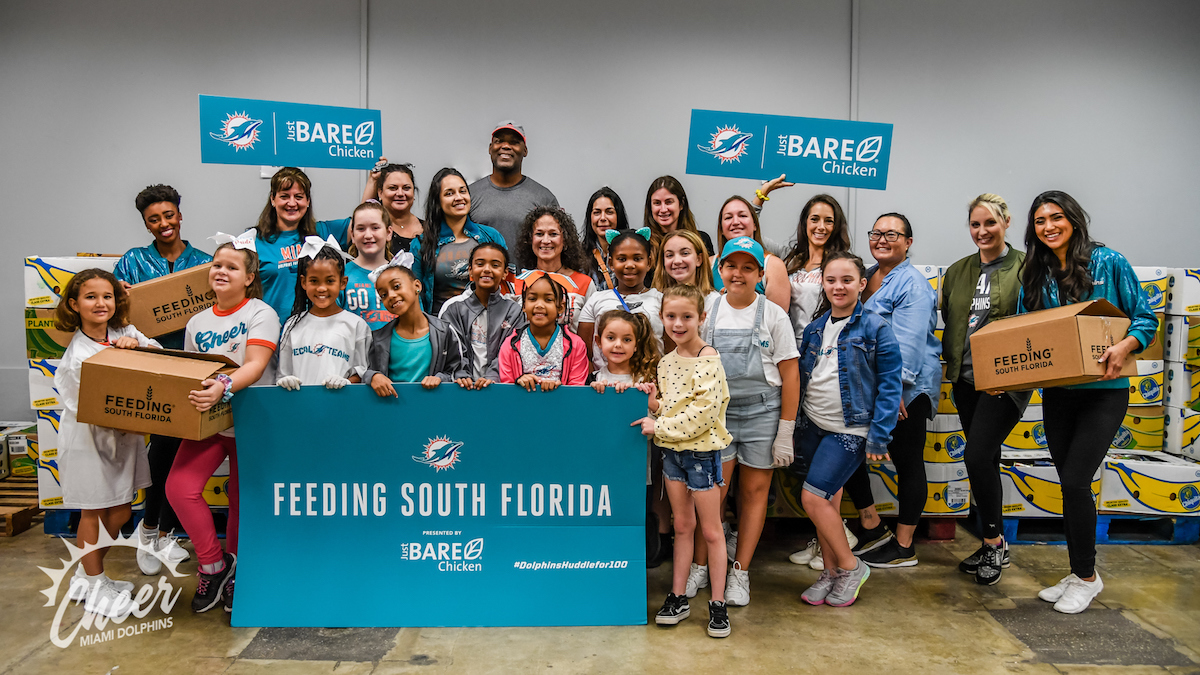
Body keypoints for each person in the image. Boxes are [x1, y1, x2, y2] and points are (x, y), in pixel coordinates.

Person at [1019, 190, 1156, 614]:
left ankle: (1086, 577)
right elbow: (1029, 328)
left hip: (1104, 394)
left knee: (1077, 479)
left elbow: (1145, 317)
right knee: (1069, 484)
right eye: (1040, 221)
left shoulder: (1109, 262)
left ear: (1074, 220)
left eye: (1056, 217)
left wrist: (1124, 348)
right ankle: (1079, 570)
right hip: (1059, 393)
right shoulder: (1036, 272)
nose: (1049, 227)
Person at [168, 233, 281, 615]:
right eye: (217, 264)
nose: (222, 271)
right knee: (179, 488)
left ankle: (238, 573)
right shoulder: (197, 321)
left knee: (239, 499)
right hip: (211, 420)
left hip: (251, 419)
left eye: (232, 267)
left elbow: (255, 364)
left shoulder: (261, 313)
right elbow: (193, 372)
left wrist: (224, 385)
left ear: (249, 277)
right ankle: (214, 565)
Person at [693, 237, 799, 607]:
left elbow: (790, 375)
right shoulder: (708, 309)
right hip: (717, 414)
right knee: (712, 496)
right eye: (731, 266)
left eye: (747, 267)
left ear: (759, 274)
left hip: (762, 413)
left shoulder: (774, 315)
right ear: (719, 270)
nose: (738, 273)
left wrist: (785, 430)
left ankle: (740, 572)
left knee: (754, 495)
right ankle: (701, 564)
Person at [796, 252, 902, 607]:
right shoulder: (814, 328)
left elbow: (890, 384)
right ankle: (830, 572)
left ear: (861, 283)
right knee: (827, 504)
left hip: (850, 430)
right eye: (831, 280)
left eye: (846, 280)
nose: (838, 287)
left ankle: (851, 566)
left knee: (812, 498)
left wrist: (879, 434)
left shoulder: (875, 327)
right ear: (822, 284)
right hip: (813, 425)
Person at [113, 184, 209, 575]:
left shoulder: (203, 263)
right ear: (146, 224)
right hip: (153, 368)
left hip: (194, 366)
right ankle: (149, 529)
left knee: (182, 455)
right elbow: (115, 313)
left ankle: (163, 535)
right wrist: (118, 294)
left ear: (180, 216)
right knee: (163, 453)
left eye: (169, 215)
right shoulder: (132, 262)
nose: (164, 224)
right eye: (154, 219)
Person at [54, 269, 160, 619]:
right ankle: (96, 583)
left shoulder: (124, 332)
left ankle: (87, 574)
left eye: (107, 296)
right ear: (74, 304)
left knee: (122, 509)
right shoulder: (78, 355)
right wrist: (122, 360)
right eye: (90, 297)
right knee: (93, 510)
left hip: (122, 439)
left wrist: (137, 345)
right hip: (90, 439)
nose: (100, 303)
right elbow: (87, 403)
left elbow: (158, 353)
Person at [841, 214, 941, 569]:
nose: (882, 239)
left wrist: (895, 390)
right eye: (876, 233)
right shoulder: (867, 276)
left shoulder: (912, 284)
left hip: (905, 389)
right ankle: (873, 527)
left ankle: (904, 545)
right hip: (870, 386)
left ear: (908, 242)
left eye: (892, 234)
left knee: (907, 460)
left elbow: (908, 343)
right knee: (848, 452)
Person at [942, 194, 1029, 585]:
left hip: (1005, 384)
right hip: (965, 380)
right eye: (975, 225)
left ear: (1006, 222)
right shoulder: (958, 271)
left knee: (976, 456)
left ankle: (993, 542)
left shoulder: (1026, 268)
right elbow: (951, 320)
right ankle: (994, 542)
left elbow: (1035, 324)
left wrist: (1007, 376)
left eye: (990, 223)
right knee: (986, 459)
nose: (982, 231)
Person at [637, 284, 732, 638]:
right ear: (662, 319)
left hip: (702, 456)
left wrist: (657, 423)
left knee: (711, 530)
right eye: (671, 316)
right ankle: (678, 597)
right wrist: (653, 403)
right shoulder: (665, 361)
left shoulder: (709, 360)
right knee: (681, 527)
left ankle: (718, 603)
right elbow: (673, 408)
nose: (678, 323)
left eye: (687, 317)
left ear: (701, 319)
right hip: (673, 454)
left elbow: (702, 416)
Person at [251, 167, 350, 320]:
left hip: (315, 333)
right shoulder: (254, 241)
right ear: (273, 199)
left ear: (308, 200)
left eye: (299, 196)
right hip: (271, 332)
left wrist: (374, 181)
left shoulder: (323, 232)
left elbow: (367, 220)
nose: (292, 203)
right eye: (284, 196)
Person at [275, 238, 370, 391]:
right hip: (301, 407)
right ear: (303, 282)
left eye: (330, 281)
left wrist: (347, 382)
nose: (321, 288)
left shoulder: (356, 325)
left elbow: (362, 371)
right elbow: (282, 374)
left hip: (341, 406)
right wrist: (286, 381)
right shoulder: (292, 325)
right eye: (314, 281)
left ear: (343, 282)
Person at [411, 168, 506, 314]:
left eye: (462, 191)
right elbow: (415, 296)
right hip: (439, 329)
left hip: (487, 326)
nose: (459, 197)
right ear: (438, 201)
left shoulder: (491, 237)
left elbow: (507, 286)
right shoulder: (421, 244)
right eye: (449, 193)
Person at [365, 263, 469, 396]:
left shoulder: (444, 331)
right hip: (393, 410)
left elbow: (458, 371)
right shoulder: (379, 338)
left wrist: (440, 379)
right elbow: (366, 371)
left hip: (432, 409)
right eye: (383, 295)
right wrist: (374, 376)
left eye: (396, 286)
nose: (391, 296)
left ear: (417, 286)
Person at [439, 242, 525, 388]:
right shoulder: (453, 307)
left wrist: (493, 376)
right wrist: (461, 374)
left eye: (495, 265)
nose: (487, 269)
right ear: (470, 271)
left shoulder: (513, 311)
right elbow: (450, 349)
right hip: (461, 387)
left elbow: (512, 350)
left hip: (499, 388)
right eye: (480, 264)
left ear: (505, 273)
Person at [578, 229, 663, 368]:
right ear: (611, 263)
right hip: (604, 385)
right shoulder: (596, 300)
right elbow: (584, 353)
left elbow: (671, 351)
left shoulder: (661, 301)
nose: (629, 265)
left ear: (649, 262)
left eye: (637, 258)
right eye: (622, 259)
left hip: (649, 384)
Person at [468, 121, 559, 248]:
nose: (505, 146)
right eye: (499, 141)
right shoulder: (469, 195)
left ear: (525, 150)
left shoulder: (543, 198)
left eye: (514, 142)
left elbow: (557, 247)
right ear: (490, 148)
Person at [782, 194, 854, 343]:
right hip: (790, 347)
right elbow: (751, 236)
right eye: (815, 219)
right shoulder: (791, 260)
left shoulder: (842, 264)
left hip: (824, 346)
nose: (821, 227)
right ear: (805, 223)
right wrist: (761, 196)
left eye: (828, 221)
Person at [499, 272, 589, 390]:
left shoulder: (576, 345)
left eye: (548, 299)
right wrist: (519, 382)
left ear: (561, 307)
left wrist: (558, 390)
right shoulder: (510, 345)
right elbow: (506, 390)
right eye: (532, 299)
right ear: (524, 305)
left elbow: (577, 390)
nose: (539, 305)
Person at [511, 206, 594, 331]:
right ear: (530, 240)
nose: (545, 240)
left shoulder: (585, 284)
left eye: (553, 234)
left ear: (565, 240)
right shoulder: (516, 283)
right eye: (539, 234)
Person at [711, 196, 789, 310]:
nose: (736, 222)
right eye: (728, 217)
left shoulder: (773, 266)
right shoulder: (709, 264)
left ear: (755, 224)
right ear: (721, 228)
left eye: (742, 216)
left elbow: (777, 320)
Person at [343, 201, 397, 329]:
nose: (368, 235)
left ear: (389, 233)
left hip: (394, 348)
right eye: (361, 229)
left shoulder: (402, 275)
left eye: (375, 228)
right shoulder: (342, 276)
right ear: (353, 235)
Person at [590, 309, 661, 393]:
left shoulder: (647, 381)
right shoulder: (593, 379)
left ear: (636, 345)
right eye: (611, 338)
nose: (618, 345)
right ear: (598, 341)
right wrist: (593, 394)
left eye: (627, 340)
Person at [644, 176, 714, 258]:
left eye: (669, 202)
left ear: (681, 204)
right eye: (657, 203)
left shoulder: (701, 240)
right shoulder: (642, 243)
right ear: (650, 207)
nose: (663, 209)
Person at [652, 230, 720, 314]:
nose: (677, 261)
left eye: (685, 253)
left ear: (698, 259)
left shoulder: (715, 302)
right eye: (670, 255)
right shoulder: (656, 301)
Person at [362, 161, 423, 254]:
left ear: (413, 192)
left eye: (406, 188)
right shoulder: (371, 230)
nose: (400, 193)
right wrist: (373, 179)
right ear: (380, 193)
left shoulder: (429, 230)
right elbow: (361, 217)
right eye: (393, 188)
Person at [580, 187, 631, 291]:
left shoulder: (632, 251)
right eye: (597, 212)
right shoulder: (579, 256)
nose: (602, 218)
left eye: (609, 212)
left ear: (618, 216)